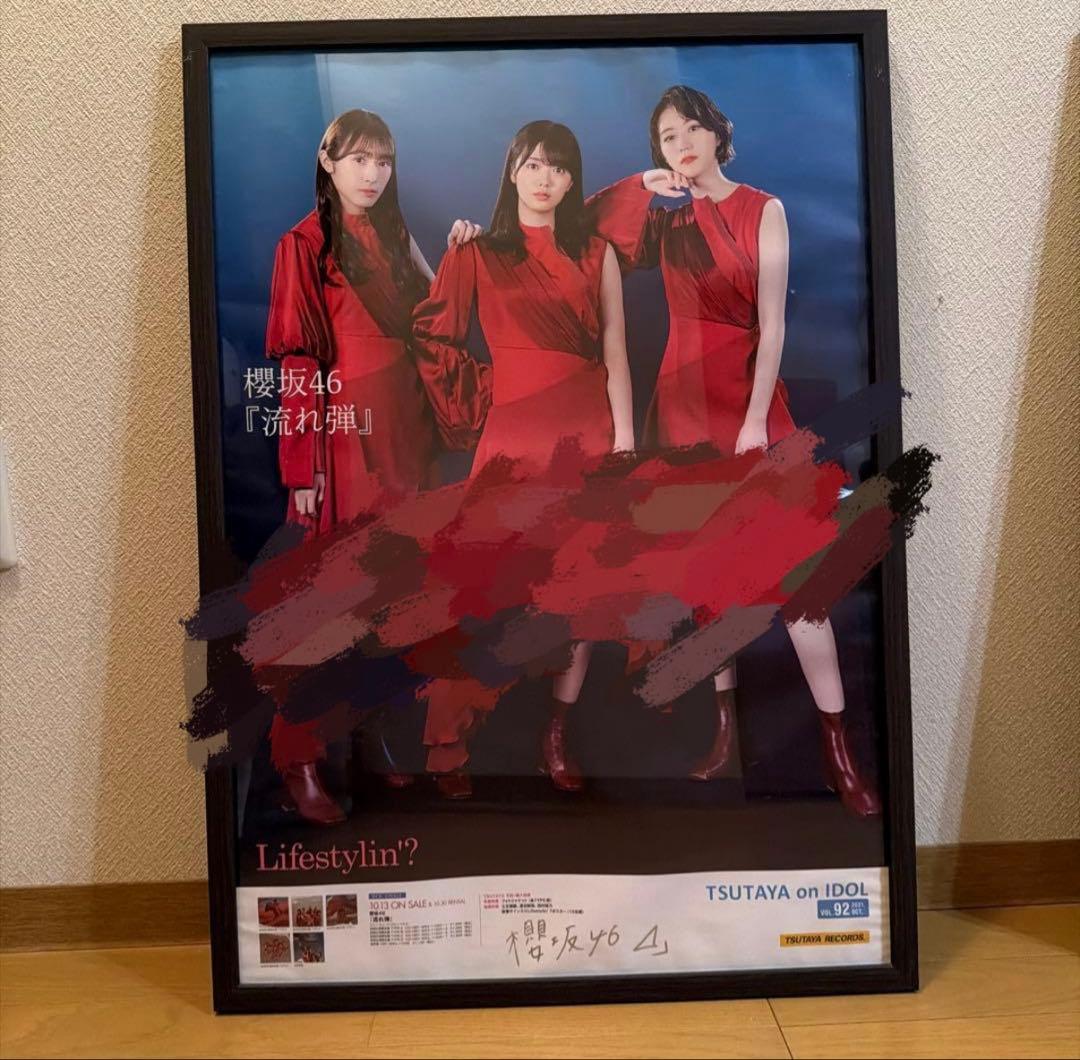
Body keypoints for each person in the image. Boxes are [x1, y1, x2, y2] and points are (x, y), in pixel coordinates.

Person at [586, 85, 879, 816]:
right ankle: (724, 735)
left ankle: (838, 749)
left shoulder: (762, 208)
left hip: (748, 400)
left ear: (717, 134)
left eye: (691, 129)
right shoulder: (664, 215)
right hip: (680, 405)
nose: (681, 144)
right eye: (666, 137)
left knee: (798, 587)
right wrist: (641, 184)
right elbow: (582, 225)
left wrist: (755, 421)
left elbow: (772, 327)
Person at [263, 108, 481, 823]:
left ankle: (372, 734)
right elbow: (299, 363)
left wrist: (460, 253)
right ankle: (298, 756)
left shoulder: (395, 235)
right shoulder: (303, 243)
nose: (372, 173)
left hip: (407, 437)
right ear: (327, 161)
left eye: (383, 160)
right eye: (358, 159)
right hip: (345, 440)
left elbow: (434, 320)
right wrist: (303, 469)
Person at [411, 120, 634, 799]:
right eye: (534, 164)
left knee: (578, 590)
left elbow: (616, 350)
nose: (545, 178)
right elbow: (434, 337)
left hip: (588, 436)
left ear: (572, 181)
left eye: (559, 168)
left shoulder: (597, 253)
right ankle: (450, 742)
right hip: (512, 441)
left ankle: (555, 735)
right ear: (512, 171)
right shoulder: (477, 251)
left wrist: (625, 440)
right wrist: (490, 391)